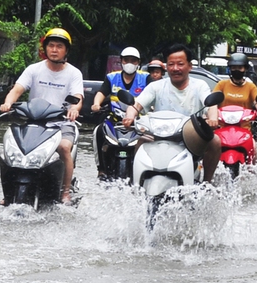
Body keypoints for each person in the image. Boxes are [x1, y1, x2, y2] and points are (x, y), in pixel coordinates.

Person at [0, 27, 85, 202]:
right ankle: (8, 195)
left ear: (66, 50)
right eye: (51, 45)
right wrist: (7, 103)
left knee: (64, 147)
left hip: (62, 121)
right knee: (10, 148)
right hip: (33, 121)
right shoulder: (34, 69)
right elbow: (17, 89)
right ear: (45, 49)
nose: (54, 49)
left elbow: (77, 97)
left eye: (59, 46)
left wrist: (74, 109)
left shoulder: (74, 73)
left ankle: (65, 191)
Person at [124, 43, 221, 182]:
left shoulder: (199, 86)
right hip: (159, 136)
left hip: (191, 138)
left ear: (189, 66)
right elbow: (136, 104)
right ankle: (137, 185)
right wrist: (129, 117)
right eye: (171, 64)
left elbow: (210, 103)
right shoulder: (156, 86)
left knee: (215, 141)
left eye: (180, 64)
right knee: (141, 142)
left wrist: (213, 118)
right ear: (166, 67)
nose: (175, 68)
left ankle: (207, 183)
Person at [92, 46, 149, 117]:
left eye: (133, 60)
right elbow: (101, 92)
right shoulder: (111, 77)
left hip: (140, 120)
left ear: (138, 62)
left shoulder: (146, 77)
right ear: (121, 60)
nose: (129, 63)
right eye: (126, 60)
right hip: (115, 119)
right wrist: (96, 104)